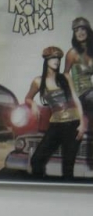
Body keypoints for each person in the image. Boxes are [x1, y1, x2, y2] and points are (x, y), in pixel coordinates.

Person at [25, 46, 85, 179]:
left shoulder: (65, 77)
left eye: (58, 58)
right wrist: (33, 104)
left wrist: (82, 124)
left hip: (73, 124)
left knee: (68, 168)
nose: (56, 61)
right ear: (46, 60)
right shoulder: (38, 81)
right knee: (36, 160)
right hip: (56, 125)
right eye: (53, 58)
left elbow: (76, 99)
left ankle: (66, 191)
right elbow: (28, 98)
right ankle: (40, 187)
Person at [65, 17, 93, 167]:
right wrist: (72, 93)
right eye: (76, 30)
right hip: (77, 93)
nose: (80, 32)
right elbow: (66, 74)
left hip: (90, 94)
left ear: (88, 31)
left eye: (83, 29)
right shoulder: (72, 53)